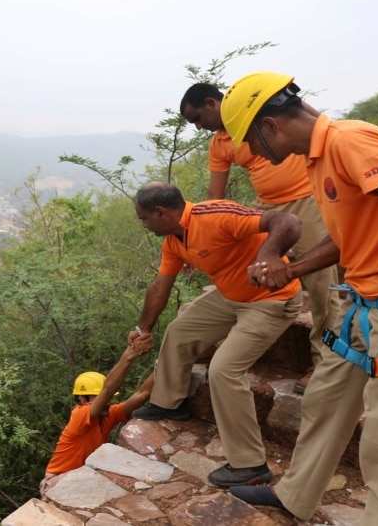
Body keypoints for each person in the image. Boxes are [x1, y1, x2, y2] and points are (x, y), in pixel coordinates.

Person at [220, 72, 378, 525]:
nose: (254, 155)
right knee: (325, 402)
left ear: (270, 126)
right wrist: (291, 270)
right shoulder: (318, 162)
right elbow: (348, 238)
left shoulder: (351, 142)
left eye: (253, 144)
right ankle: (296, 495)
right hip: (364, 307)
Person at [127, 182, 304, 488]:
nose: (143, 224)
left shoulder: (216, 216)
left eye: (144, 218)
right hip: (229, 296)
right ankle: (170, 402)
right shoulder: (173, 241)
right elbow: (159, 288)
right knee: (179, 331)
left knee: (223, 370)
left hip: (270, 299)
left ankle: (251, 465)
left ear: (160, 212)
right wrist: (142, 329)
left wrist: (268, 255)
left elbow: (287, 221)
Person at [181, 83, 338, 393]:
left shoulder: (260, 106)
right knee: (238, 261)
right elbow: (215, 199)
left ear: (212, 103)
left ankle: (324, 361)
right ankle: (225, 337)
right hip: (266, 206)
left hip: (306, 197)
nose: (199, 127)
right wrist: (195, 242)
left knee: (322, 283)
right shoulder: (219, 144)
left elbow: (317, 123)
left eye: (198, 118)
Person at [41, 340, 156, 496]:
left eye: (107, 400)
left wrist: (161, 366)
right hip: (56, 481)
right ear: (83, 399)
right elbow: (108, 390)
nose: (107, 403)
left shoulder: (108, 414)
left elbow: (142, 394)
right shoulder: (80, 415)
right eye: (100, 398)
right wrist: (130, 354)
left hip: (79, 477)